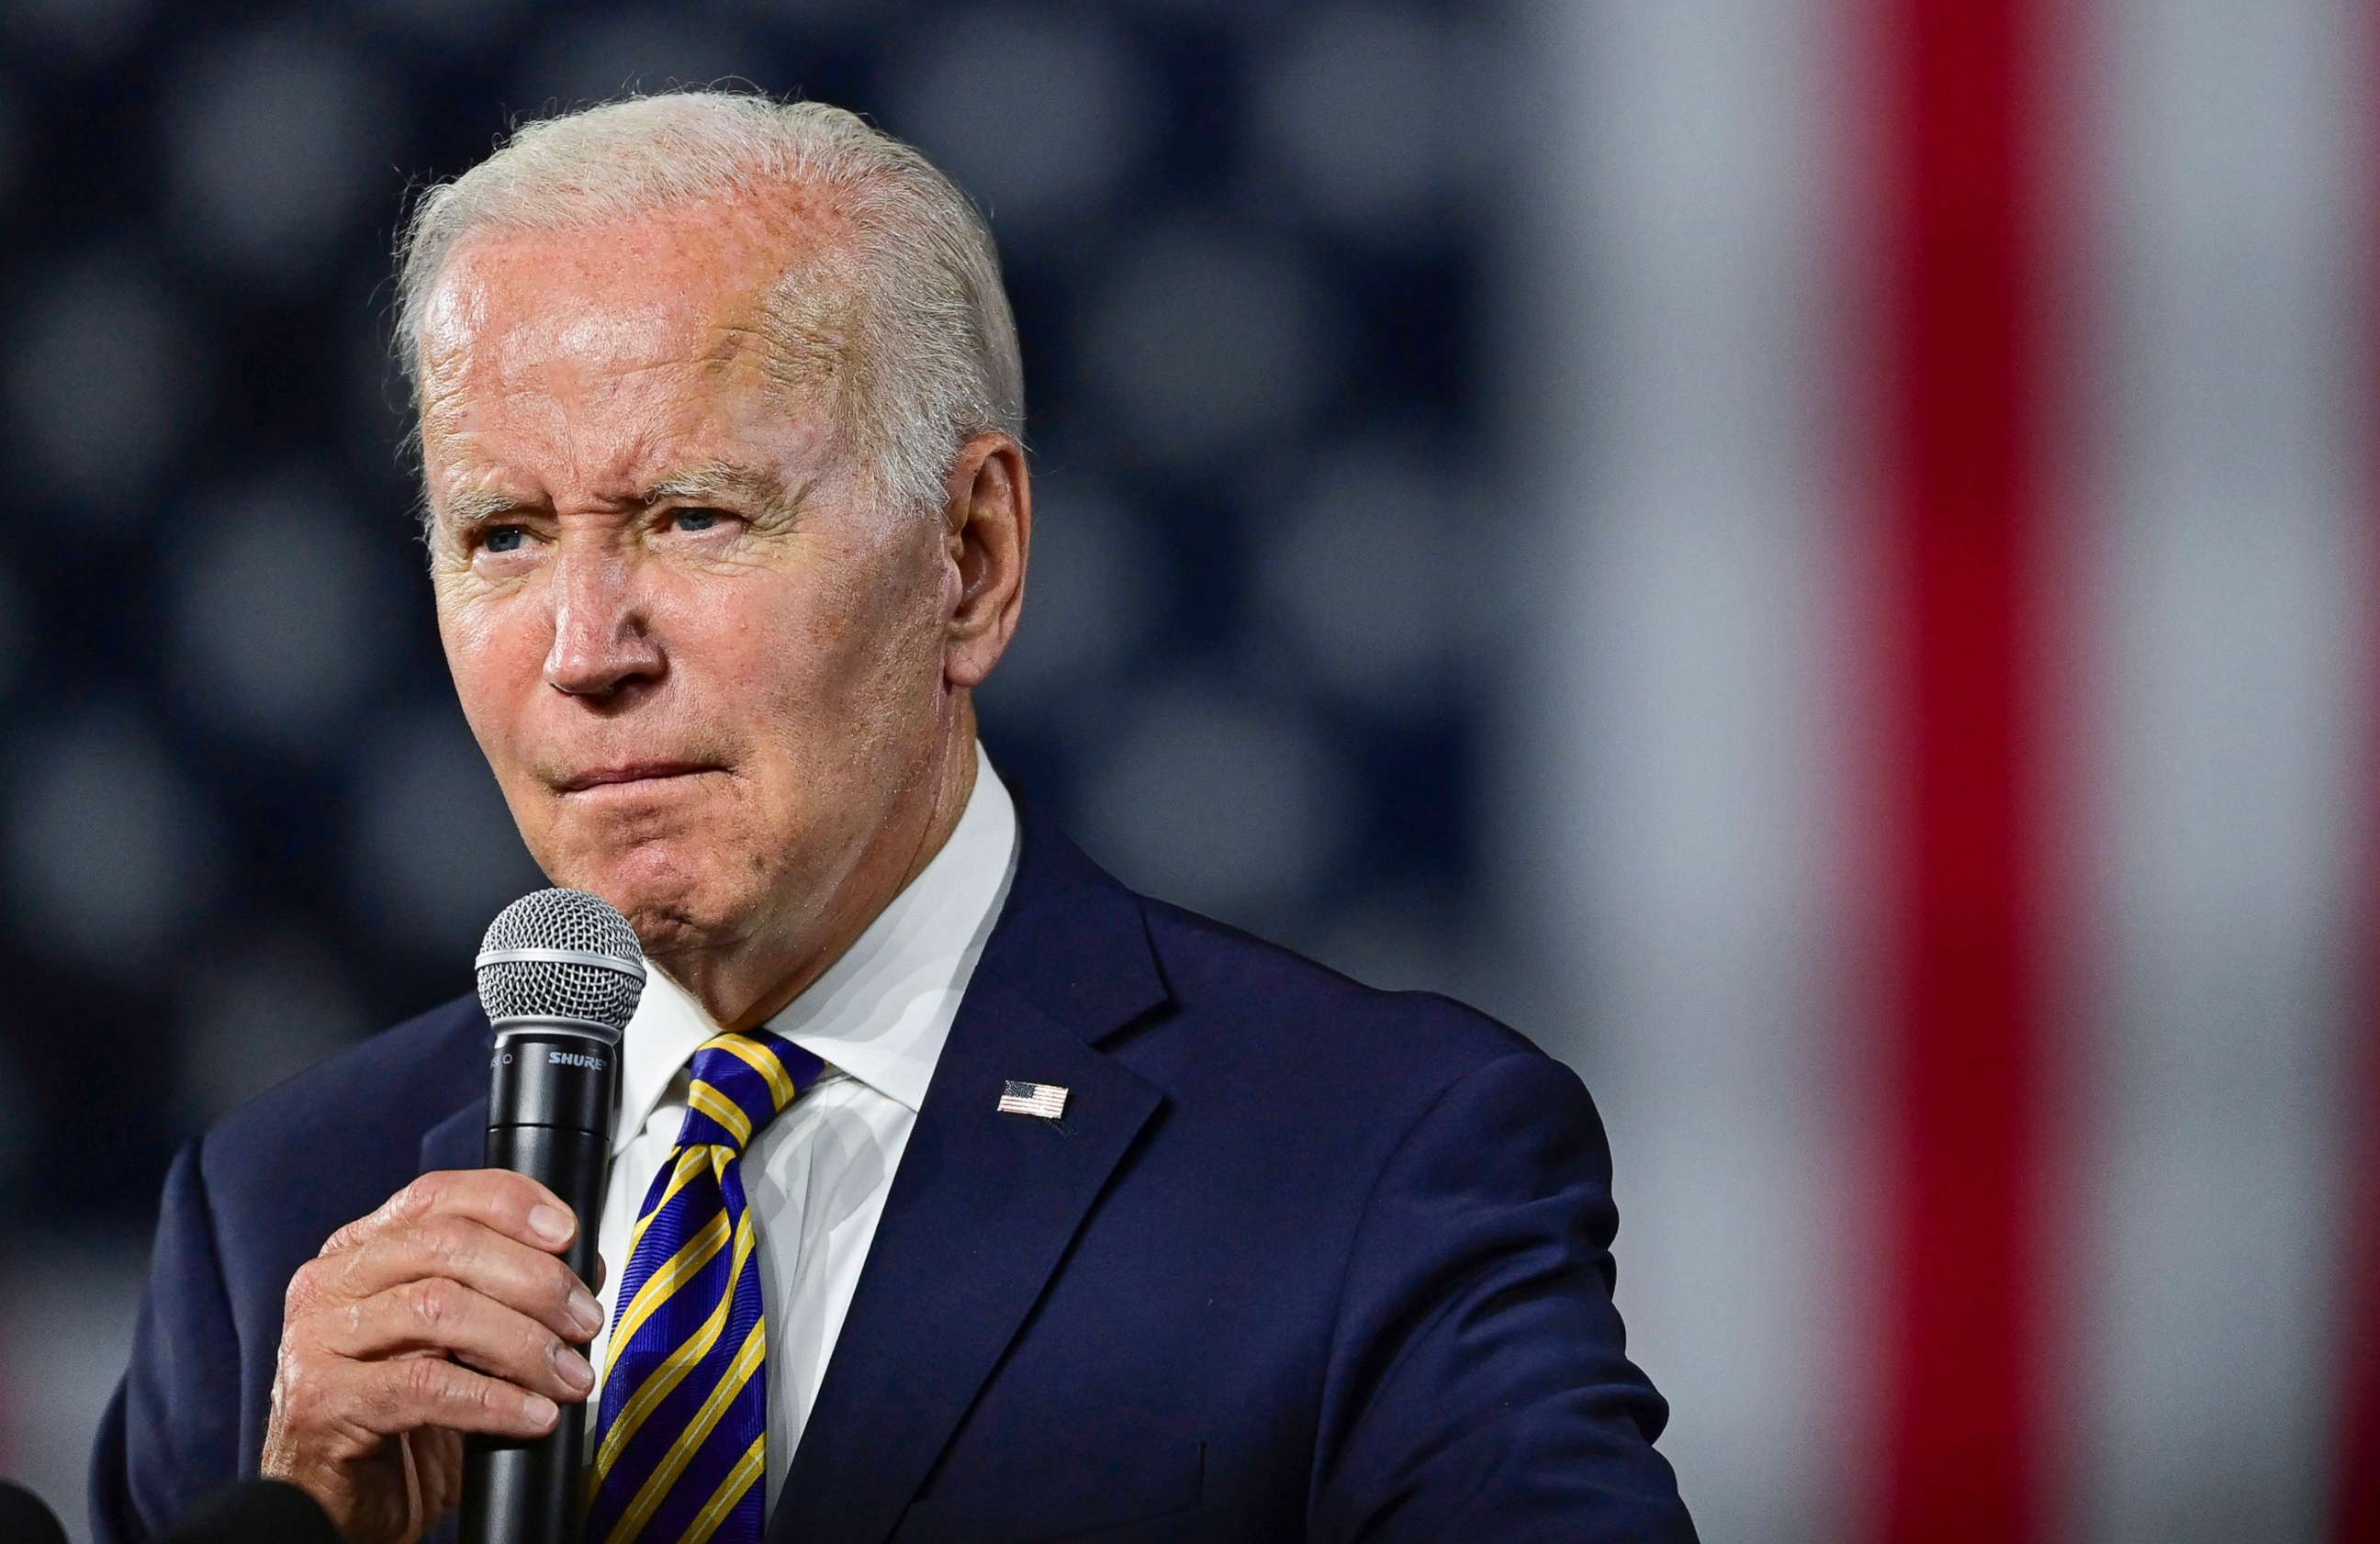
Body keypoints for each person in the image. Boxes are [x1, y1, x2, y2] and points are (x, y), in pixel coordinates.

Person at [89, 90, 1695, 1544]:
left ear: (973, 558)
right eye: (504, 536)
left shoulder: (1370, 1164)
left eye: (693, 516)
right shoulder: (277, 1224)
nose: (586, 653)